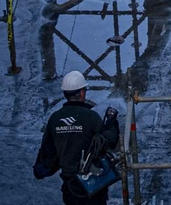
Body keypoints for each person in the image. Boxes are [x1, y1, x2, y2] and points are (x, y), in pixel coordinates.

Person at [34, 71, 121, 205]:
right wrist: (111, 123)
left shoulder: (55, 119)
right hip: (93, 185)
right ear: (82, 93)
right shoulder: (90, 116)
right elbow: (109, 141)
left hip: (70, 187)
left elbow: (48, 154)